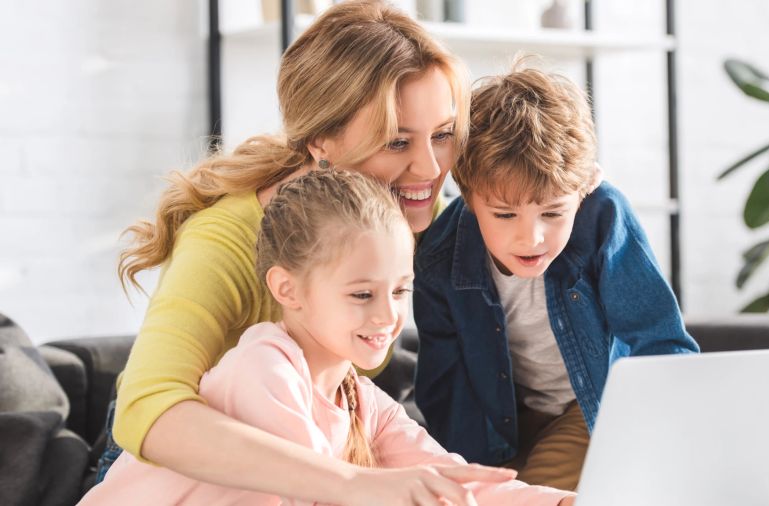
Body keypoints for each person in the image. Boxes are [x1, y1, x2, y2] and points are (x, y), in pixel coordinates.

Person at [105, 2, 511, 504]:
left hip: (326, 454)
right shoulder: (225, 239)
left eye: (443, 135)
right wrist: (352, 484)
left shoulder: (412, 210)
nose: (429, 168)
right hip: (180, 470)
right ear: (321, 140)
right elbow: (148, 409)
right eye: (396, 142)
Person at [81, 171, 576, 506]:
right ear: (286, 289)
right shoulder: (262, 367)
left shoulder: (361, 398)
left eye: (400, 290)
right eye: (362, 294)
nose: (389, 315)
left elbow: (452, 480)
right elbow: (327, 493)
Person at [413, 64, 701, 491]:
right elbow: (445, 387)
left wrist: (657, 441)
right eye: (505, 214)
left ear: (584, 187)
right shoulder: (440, 254)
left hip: (588, 409)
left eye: (552, 212)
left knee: (541, 491)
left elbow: (658, 340)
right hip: (499, 422)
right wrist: (470, 479)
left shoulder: (602, 215)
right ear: (470, 196)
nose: (531, 237)